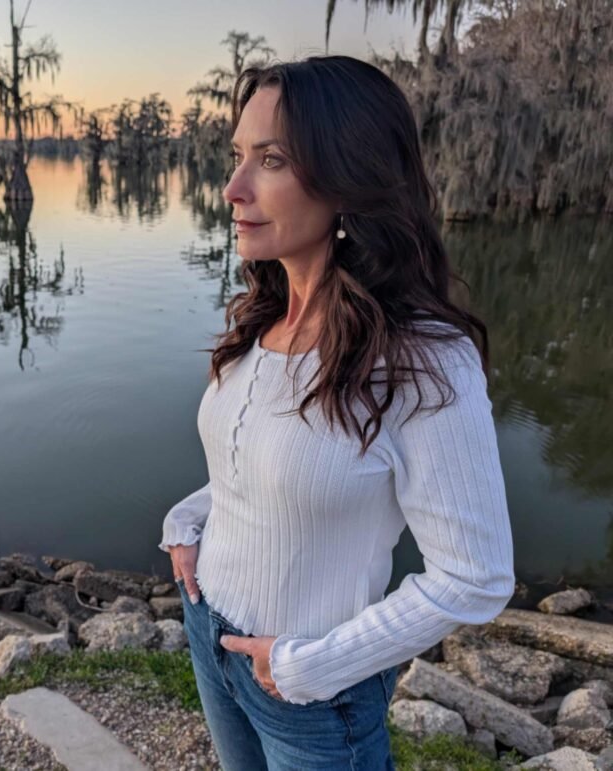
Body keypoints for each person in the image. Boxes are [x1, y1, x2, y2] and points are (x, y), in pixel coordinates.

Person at [158, 55, 516, 770]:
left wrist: (310, 666)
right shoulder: (263, 318)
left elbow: (476, 574)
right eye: (237, 157)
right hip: (212, 636)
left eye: (272, 160)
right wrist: (192, 520)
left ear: (349, 177)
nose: (232, 189)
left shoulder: (422, 357)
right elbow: (266, 461)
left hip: (312, 693)